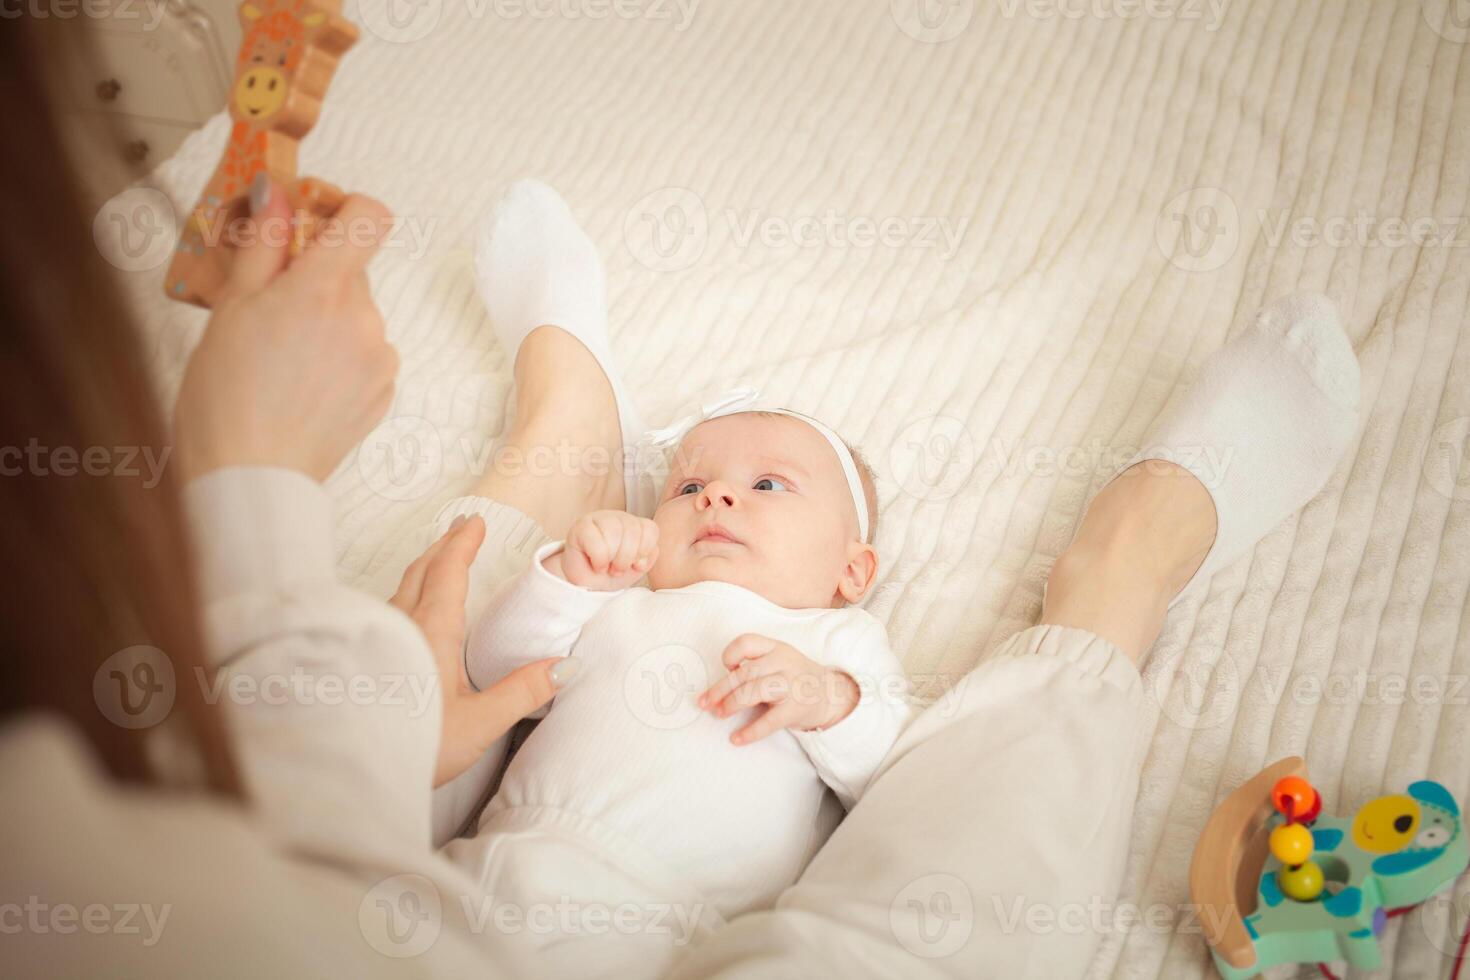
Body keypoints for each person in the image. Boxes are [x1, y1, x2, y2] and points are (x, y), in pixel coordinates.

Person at [1, 21, 1361, 980]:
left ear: (850, 568)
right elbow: (506, 672)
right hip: (487, 868)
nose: (716, 499)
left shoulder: (838, 648)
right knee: (456, 643)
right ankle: (580, 440)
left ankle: (571, 416)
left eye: (771, 484)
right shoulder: (636, 605)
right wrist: (574, 579)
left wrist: (827, 704)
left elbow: (895, 768)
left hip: (666, 928)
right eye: (696, 478)